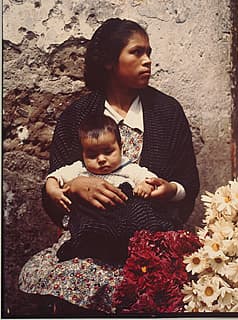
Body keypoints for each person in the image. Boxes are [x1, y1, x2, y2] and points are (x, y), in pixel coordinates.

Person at [19, 18, 200, 315]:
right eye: (137, 53)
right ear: (109, 62)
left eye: (149, 53)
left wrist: (168, 190)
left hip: (149, 236)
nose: (147, 61)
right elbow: (52, 195)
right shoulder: (77, 117)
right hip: (92, 237)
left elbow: (188, 185)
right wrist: (74, 187)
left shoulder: (167, 113)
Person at [47, 113, 176, 262]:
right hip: (94, 216)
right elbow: (54, 177)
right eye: (92, 155)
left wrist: (145, 186)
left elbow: (149, 178)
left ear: (121, 148)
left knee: (139, 207)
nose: (101, 159)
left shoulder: (128, 168)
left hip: (124, 215)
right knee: (82, 218)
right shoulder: (79, 169)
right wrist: (53, 190)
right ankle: (84, 244)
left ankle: (134, 244)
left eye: (108, 152)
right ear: (82, 154)